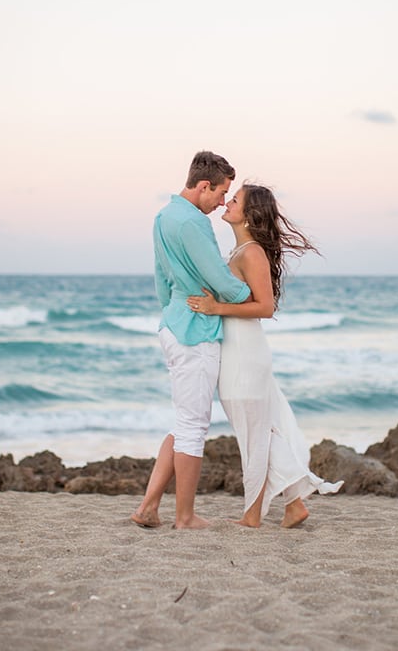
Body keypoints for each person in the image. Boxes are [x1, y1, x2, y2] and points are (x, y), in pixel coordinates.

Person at [186, 183, 343, 528]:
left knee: (254, 433)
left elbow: (265, 307)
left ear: (250, 213)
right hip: (238, 350)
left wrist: (216, 308)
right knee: (261, 430)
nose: (227, 202)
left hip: (245, 353)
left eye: (236, 199)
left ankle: (253, 515)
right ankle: (293, 505)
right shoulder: (239, 252)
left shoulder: (251, 252)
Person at [130, 151, 251, 530]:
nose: (221, 203)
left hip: (174, 323)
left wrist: (173, 311)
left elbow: (160, 277)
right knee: (195, 427)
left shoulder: (164, 216)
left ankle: (149, 508)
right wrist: (250, 296)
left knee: (184, 422)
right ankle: (184, 517)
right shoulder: (193, 223)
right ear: (203, 186)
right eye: (221, 193)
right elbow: (218, 276)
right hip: (194, 331)